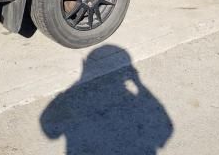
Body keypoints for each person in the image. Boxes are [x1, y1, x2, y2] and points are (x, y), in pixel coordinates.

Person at [40, 45, 173, 154]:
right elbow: (165, 130)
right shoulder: (133, 100)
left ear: (85, 65)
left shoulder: (70, 97)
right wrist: (139, 84)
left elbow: (50, 131)